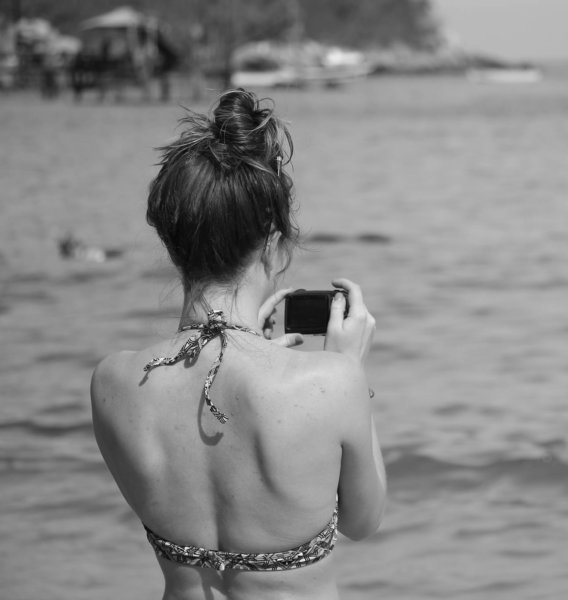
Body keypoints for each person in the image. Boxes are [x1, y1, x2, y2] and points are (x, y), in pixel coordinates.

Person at [90, 89, 386, 600]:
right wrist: (348, 370)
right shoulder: (330, 383)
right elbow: (363, 520)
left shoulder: (113, 382)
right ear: (273, 244)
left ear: (172, 243)